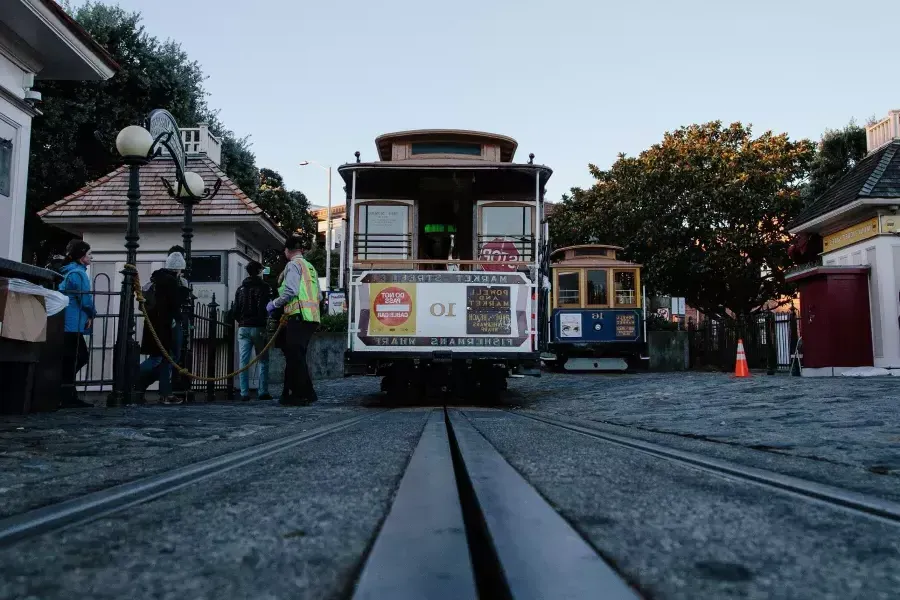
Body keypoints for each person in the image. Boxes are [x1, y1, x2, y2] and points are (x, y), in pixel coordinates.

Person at [267, 236, 320, 406]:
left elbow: (290, 291)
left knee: (294, 357)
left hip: (298, 316)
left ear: (287, 251)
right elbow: (318, 295)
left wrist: (273, 304)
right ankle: (298, 393)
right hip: (311, 318)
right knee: (297, 356)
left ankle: (301, 394)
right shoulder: (310, 267)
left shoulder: (293, 265)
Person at [138, 251, 190, 404]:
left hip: (154, 324)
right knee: (162, 358)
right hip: (166, 325)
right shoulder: (172, 281)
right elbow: (174, 304)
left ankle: (164, 393)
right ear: (179, 268)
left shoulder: (155, 280)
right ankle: (133, 380)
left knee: (164, 359)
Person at [58, 240, 96, 408]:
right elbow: (85, 299)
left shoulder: (67, 271)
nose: (91, 257)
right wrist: (92, 314)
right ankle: (66, 394)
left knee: (71, 359)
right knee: (79, 358)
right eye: (89, 254)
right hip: (73, 324)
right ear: (82, 257)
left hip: (68, 322)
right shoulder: (79, 274)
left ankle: (68, 393)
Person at [232, 260, 274, 401]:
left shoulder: (241, 289)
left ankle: (244, 392)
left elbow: (235, 309)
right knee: (263, 360)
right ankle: (263, 391)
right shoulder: (264, 287)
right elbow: (266, 308)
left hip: (243, 327)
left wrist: (241, 321)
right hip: (259, 327)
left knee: (243, 361)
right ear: (259, 271)